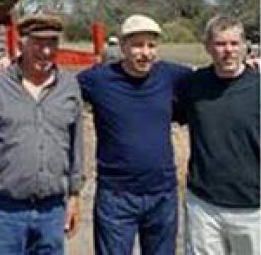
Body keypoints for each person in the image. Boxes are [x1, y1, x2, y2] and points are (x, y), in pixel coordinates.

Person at [77, 14, 192, 255]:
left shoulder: (171, 76)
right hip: (117, 197)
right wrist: (10, 67)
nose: (145, 53)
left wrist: (249, 67)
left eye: (151, 45)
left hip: (163, 194)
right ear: (122, 46)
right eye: (138, 45)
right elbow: (52, 84)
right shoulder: (98, 81)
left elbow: (213, 78)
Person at [0, 14, 83, 255]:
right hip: (6, 211)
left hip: (52, 211)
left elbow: (76, 144)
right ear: (21, 44)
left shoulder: (69, 87)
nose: (46, 51)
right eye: (38, 43)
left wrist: (74, 195)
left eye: (52, 43)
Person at [179, 15, 260, 255]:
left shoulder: (260, 86)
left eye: (234, 44)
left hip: (251, 208)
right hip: (203, 205)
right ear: (207, 47)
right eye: (220, 44)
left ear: (245, 46)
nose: (228, 51)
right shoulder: (193, 85)